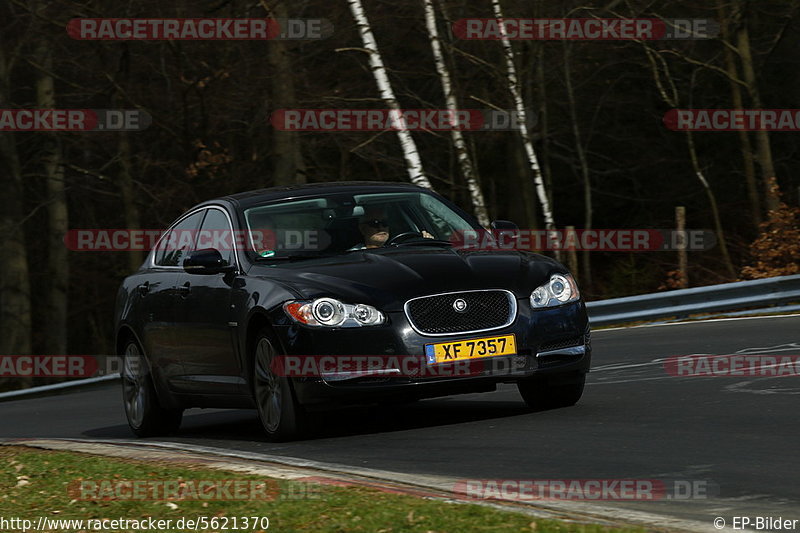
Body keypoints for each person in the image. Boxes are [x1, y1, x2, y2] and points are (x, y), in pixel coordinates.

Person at [350, 206, 433, 250]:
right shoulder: (354, 256)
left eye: (384, 223)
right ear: (362, 229)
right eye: (375, 223)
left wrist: (427, 243)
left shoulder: (401, 247)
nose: (381, 227)